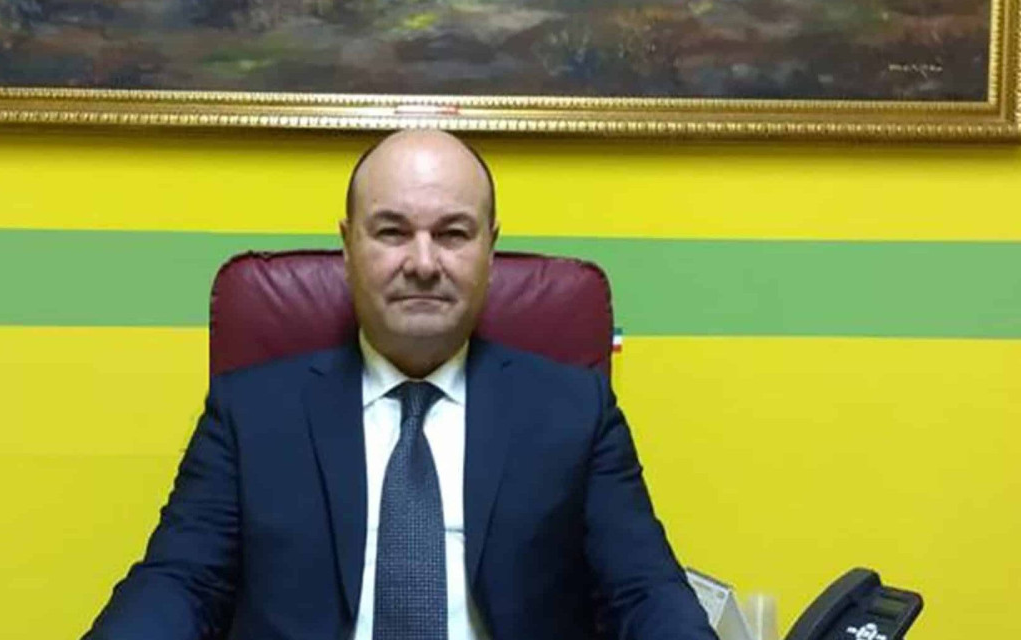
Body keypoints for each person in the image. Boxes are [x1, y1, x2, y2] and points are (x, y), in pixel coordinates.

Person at [84, 130, 716, 640]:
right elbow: (180, 584)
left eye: (453, 234)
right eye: (391, 232)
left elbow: (645, 591)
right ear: (348, 246)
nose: (422, 263)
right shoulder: (250, 414)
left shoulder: (574, 412)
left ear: (490, 249)